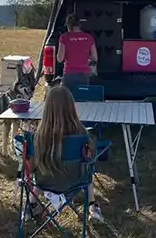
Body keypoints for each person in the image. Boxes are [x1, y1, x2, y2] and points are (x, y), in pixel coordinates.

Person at [24, 85, 103, 222]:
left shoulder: (37, 137)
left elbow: (30, 169)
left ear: (47, 109)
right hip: (76, 181)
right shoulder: (83, 135)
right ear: (71, 107)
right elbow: (90, 160)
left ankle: (31, 205)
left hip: (46, 182)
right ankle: (93, 208)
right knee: (88, 172)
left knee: (41, 172)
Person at [57, 14, 98, 86]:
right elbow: (95, 58)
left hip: (69, 74)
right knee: (82, 95)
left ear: (68, 25)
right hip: (84, 75)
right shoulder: (89, 37)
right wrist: (85, 55)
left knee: (67, 96)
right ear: (79, 24)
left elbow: (60, 59)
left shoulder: (64, 37)